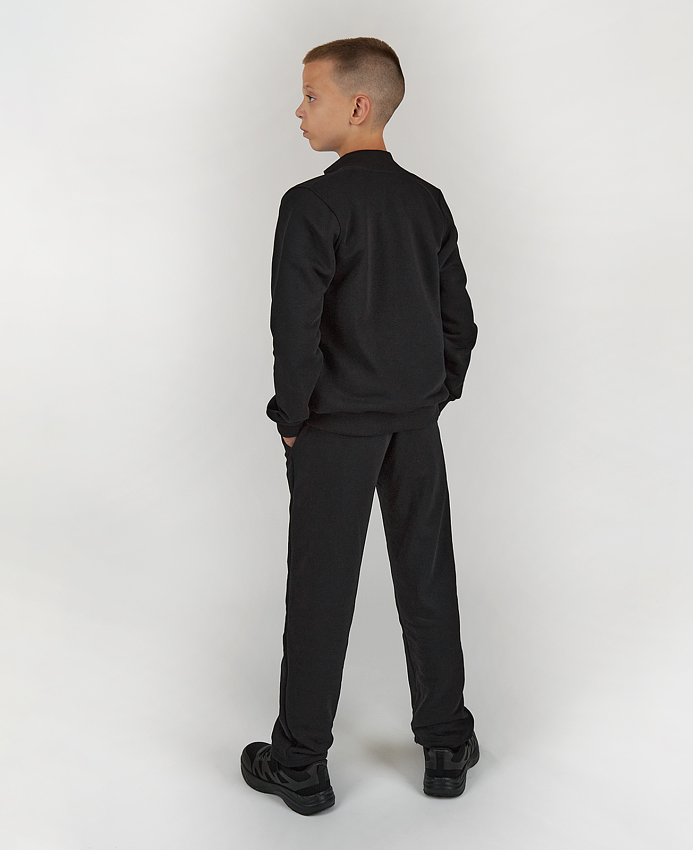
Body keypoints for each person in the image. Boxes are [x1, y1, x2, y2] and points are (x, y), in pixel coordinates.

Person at [240, 37, 479, 816]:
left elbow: (296, 329)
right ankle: (446, 744)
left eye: (311, 95)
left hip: (335, 429)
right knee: (427, 578)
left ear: (358, 105)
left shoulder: (310, 206)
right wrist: (433, 393)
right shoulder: (427, 202)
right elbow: (458, 319)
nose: (298, 110)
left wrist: (293, 418)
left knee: (321, 588)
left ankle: (300, 763)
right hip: (414, 423)